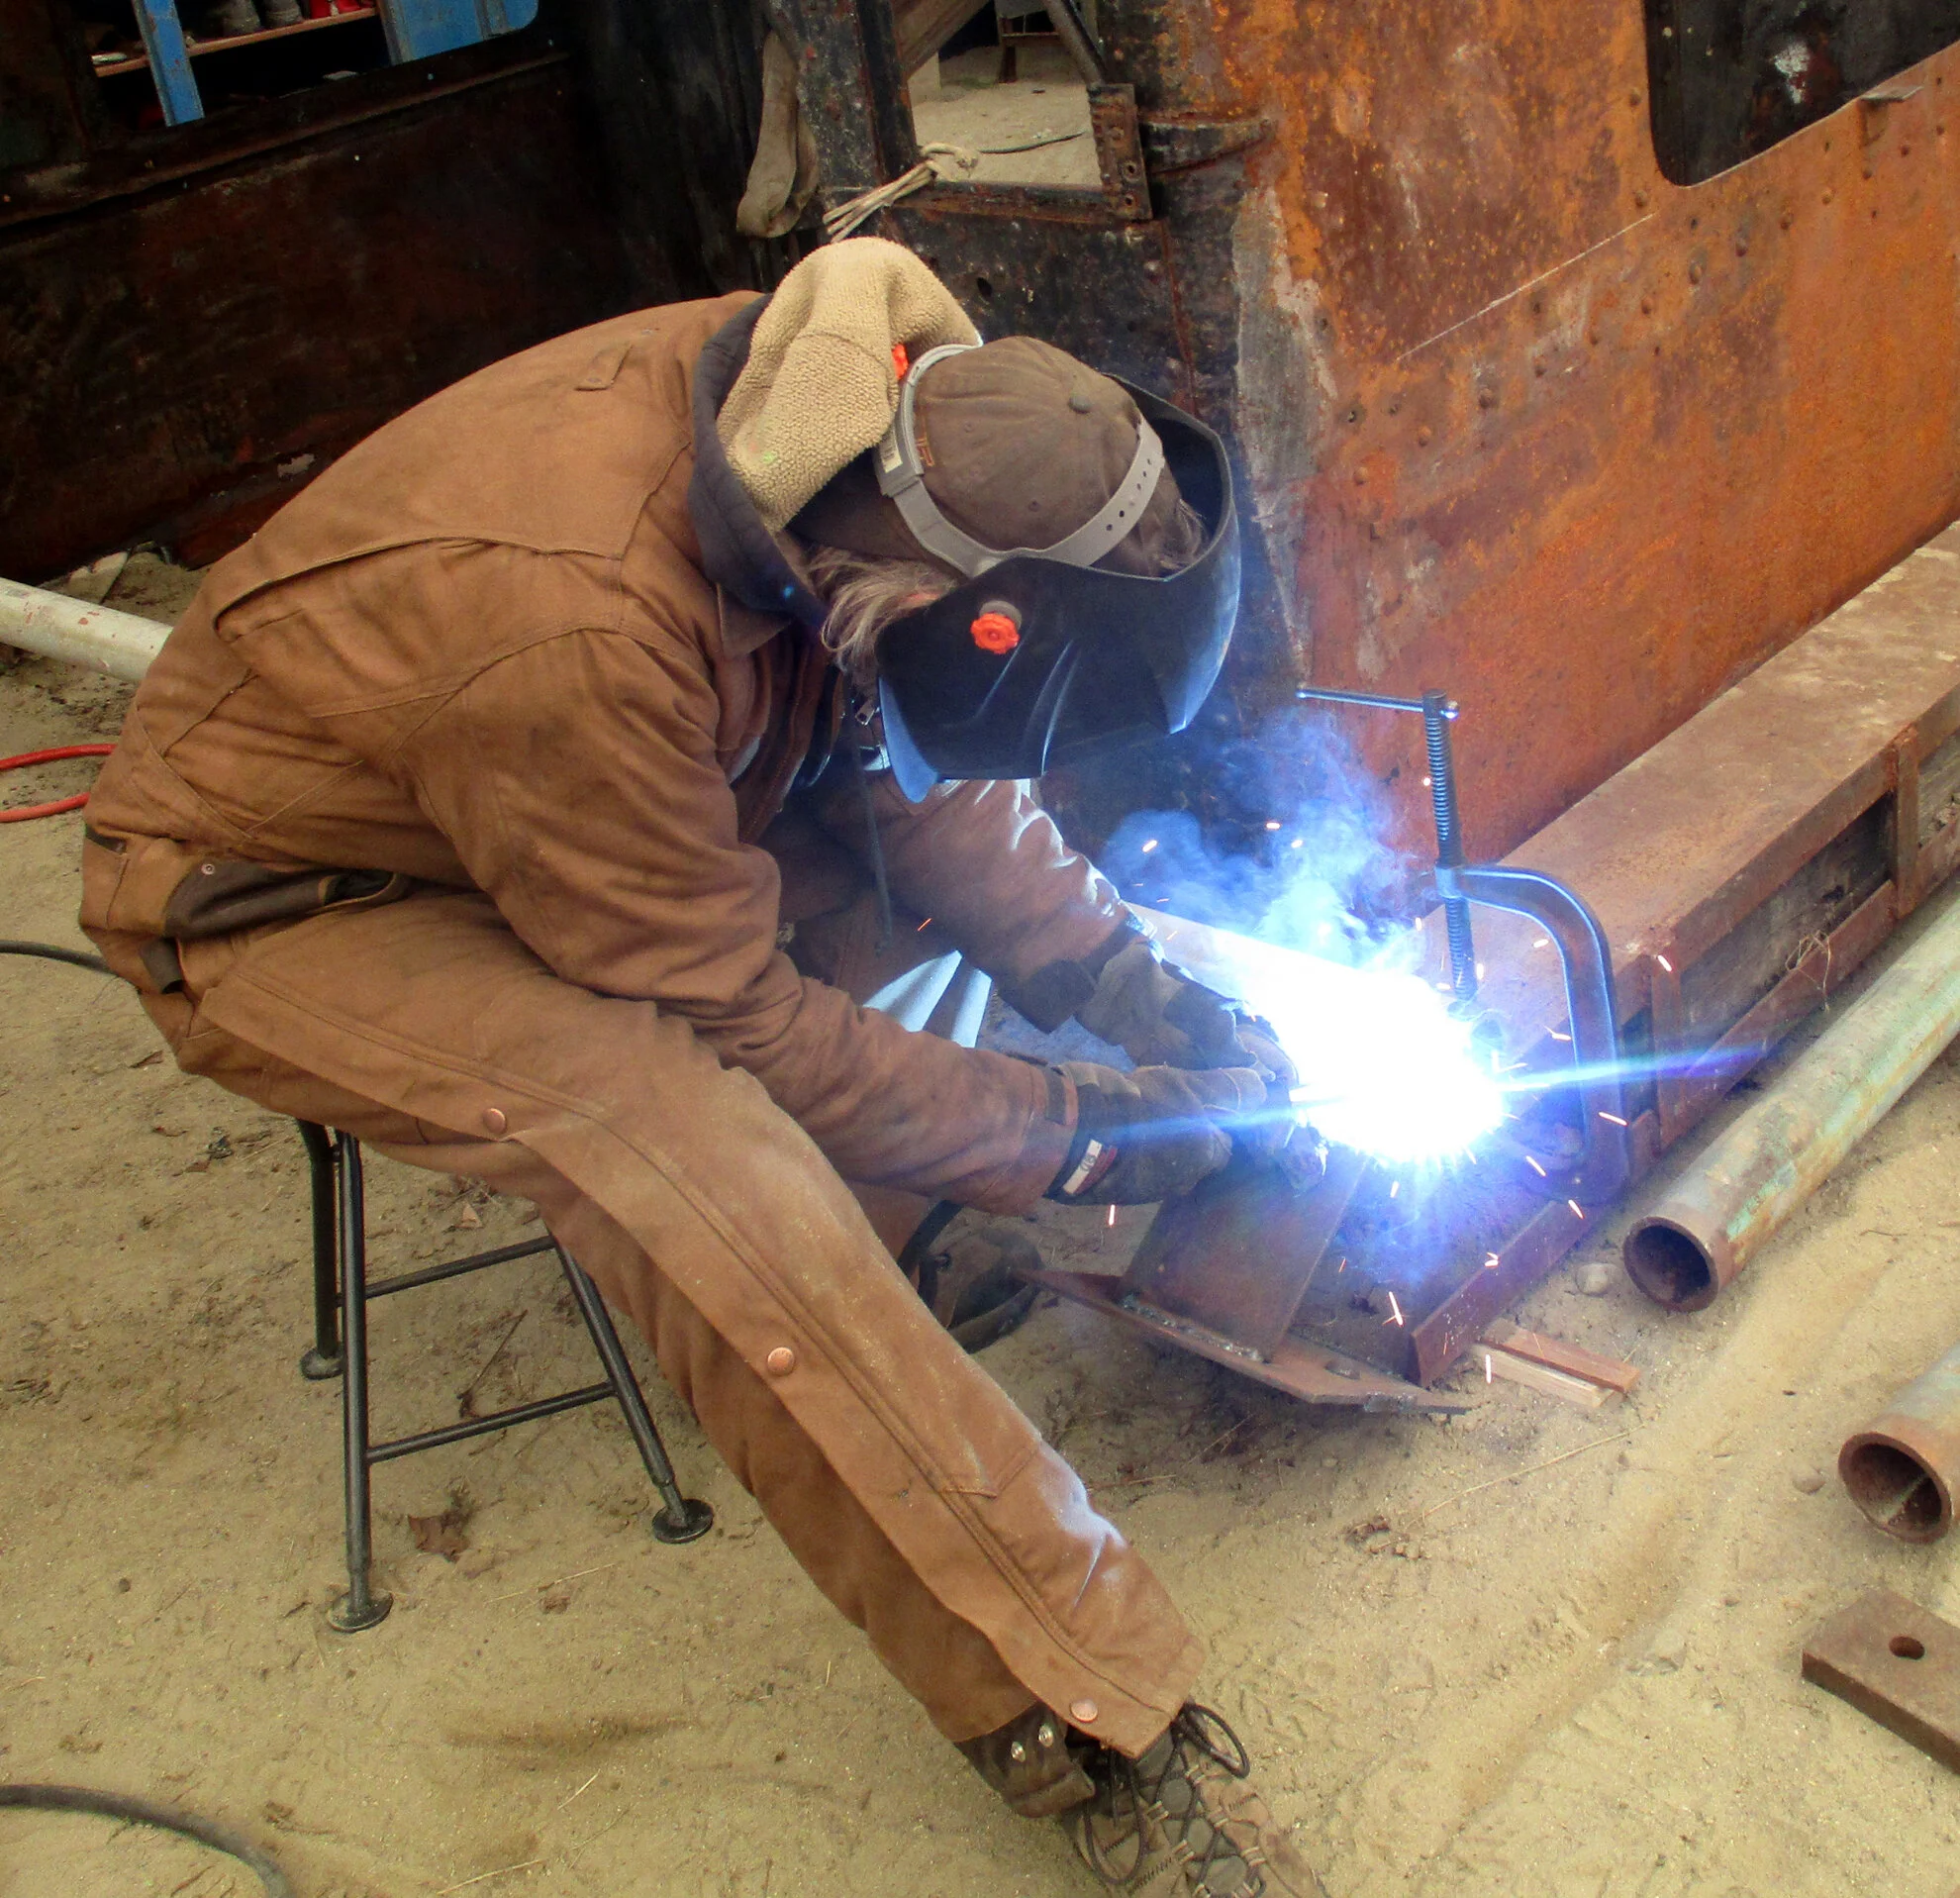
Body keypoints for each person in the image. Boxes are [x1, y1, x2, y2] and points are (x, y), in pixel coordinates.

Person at [79, 237, 1323, 1897]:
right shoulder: (587, 625)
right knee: (682, 1144)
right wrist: (1082, 1135)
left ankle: (883, 1271)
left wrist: (1126, 984)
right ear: (950, 602)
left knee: (879, 911)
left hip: (553, 790)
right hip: (297, 892)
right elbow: (744, 1027)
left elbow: (924, 777)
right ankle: (1074, 1714)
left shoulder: (851, 449)